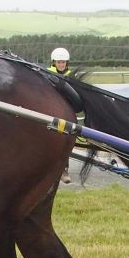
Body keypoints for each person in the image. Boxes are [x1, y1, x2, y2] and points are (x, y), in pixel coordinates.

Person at [47, 47, 75, 182]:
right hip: (52, 110)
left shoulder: (70, 76)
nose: (61, 64)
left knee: (66, 140)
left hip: (66, 112)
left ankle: (64, 170)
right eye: (59, 62)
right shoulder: (47, 74)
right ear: (54, 62)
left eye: (63, 62)